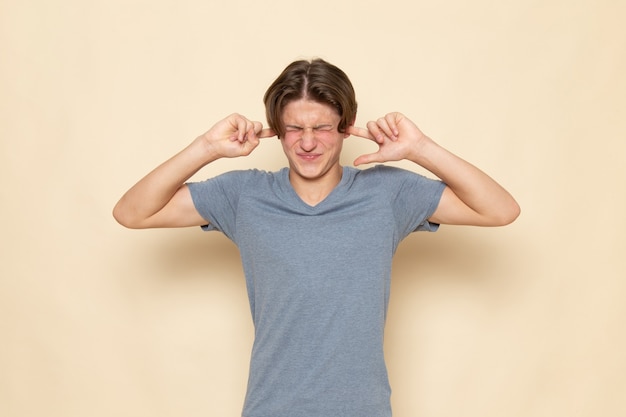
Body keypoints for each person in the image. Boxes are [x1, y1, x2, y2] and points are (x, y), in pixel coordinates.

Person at [113, 58, 520, 417]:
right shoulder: (243, 195)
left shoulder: (387, 193)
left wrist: (420, 149)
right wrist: (206, 147)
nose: (308, 143)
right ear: (277, 130)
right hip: (270, 408)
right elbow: (132, 212)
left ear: (345, 127)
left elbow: (500, 210)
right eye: (294, 128)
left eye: (322, 128)